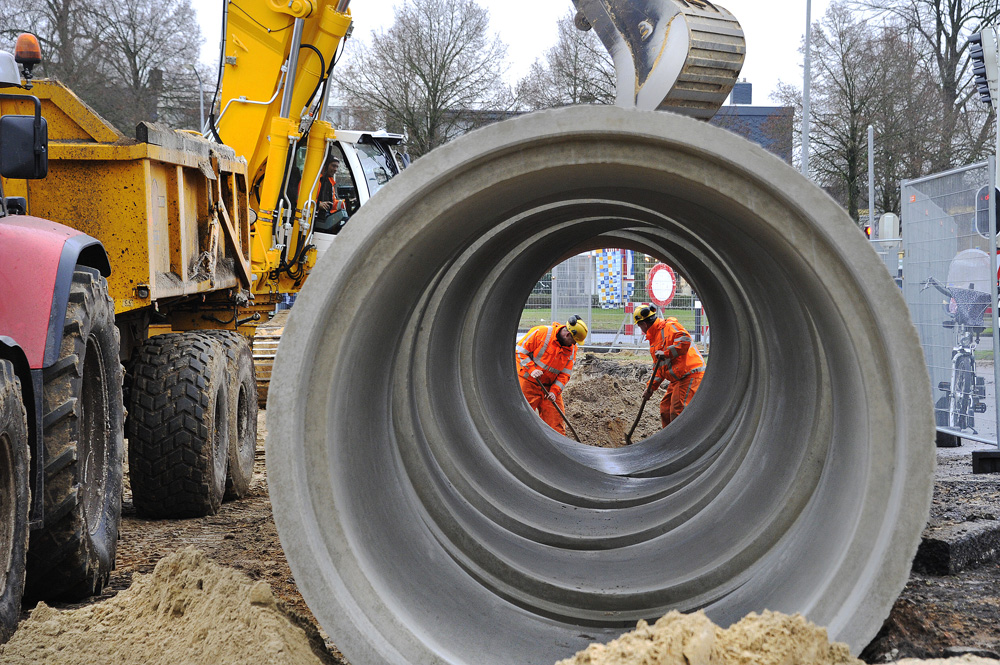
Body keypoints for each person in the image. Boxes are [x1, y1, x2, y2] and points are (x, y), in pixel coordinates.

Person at [634, 305, 705, 427]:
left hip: (690, 374)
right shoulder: (654, 339)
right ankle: (668, 442)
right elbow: (659, 369)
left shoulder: (669, 326)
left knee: (678, 411)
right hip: (677, 378)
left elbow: (685, 341)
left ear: (644, 324)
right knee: (665, 410)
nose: (641, 329)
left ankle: (681, 443)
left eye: (640, 326)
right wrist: (650, 388)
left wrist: (666, 353)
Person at [515, 316, 588, 435]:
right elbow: (519, 351)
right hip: (528, 384)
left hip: (549, 390)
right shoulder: (541, 333)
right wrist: (531, 369)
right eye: (574, 341)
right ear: (568, 335)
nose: (574, 344)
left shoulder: (572, 349)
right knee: (521, 421)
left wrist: (554, 391)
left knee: (556, 425)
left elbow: (565, 374)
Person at [314, 156, 347, 234]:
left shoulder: (329, 182)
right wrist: (318, 204)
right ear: (325, 166)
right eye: (333, 166)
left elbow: (332, 202)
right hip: (315, 220)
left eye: (337, 167)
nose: (335, 169)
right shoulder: (314, 180)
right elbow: (300, 199)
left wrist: (345, 203)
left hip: (325, 217)